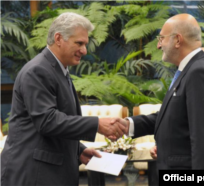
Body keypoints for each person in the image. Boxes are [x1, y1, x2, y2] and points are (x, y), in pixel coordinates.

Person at [0, 12, 126, 186]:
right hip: (33, 174)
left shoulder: (58, 70)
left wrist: (78, 151)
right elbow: (47, 121)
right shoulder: (38, 71)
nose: (84, 50)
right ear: (58, 38)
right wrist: (97, 124)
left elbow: (54, 125)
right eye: (79, 43)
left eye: (85, 44)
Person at [114, 14, 204, 169]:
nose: (158, 45)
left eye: (161, 38)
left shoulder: (199, 72)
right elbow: (173, 117)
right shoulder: (189, 70)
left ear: (177, 40)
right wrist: (129, 125)